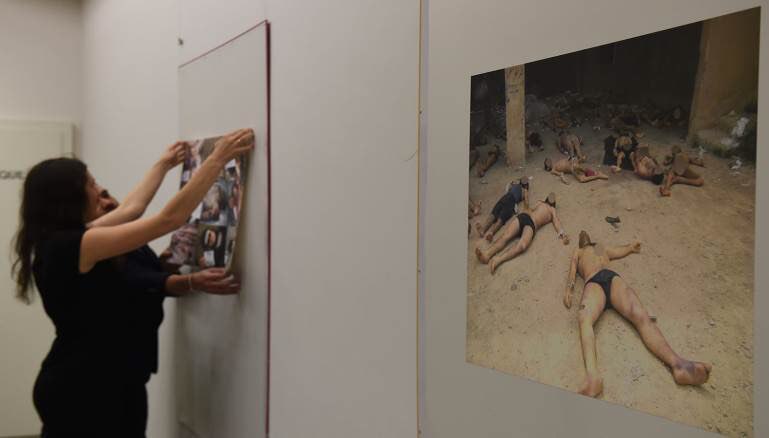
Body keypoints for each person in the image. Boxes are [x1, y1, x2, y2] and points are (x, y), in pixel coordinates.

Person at [12, 128, 254, 437]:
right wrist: (217, 159)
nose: (99, 190)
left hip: (104, 382)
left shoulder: (68, 239)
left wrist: (163, 164)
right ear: (70, 197)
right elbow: (169, 219)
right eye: (91, 184)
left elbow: (131, 210)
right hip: (85, 391)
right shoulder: (72, 245)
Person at [563, 231, 712, 397]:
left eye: (585, 233)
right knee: (584, 318)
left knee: (640, 313)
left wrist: (630, 247)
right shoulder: (579, 251)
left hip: (612, 279)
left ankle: (679, 365)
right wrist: (569, 288)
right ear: (580, 242)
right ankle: (593, 378)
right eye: (581, 234)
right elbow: (573, 268)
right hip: (593, 283)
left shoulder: (598, 247)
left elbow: (616, 251)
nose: (583, 233)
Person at [475, 192, 569, 274]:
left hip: (531, 225)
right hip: (523, 217)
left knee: (522, 246)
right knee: (505, 236)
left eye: (554, 197)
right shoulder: (540, 202)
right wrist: (525, 201)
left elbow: (556, 221)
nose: (552, 196)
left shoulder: (552, 210)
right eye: (550, 195)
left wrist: (562, 233)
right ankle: (487, 254)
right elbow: (529, 208)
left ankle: (498, 260)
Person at [544, 157, 608, 184]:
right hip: (572, 167)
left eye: (548, 160)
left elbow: (566, 160)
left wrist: (573, 159)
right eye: (547, 162)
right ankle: (597, 175)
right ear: (547, 168)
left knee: (582, 172)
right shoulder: (553, 170)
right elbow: (561, 174)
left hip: (572, 163)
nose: (548, 161)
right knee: (582, 178)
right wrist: (565, 181)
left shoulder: (556, 162)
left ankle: (597, 174)